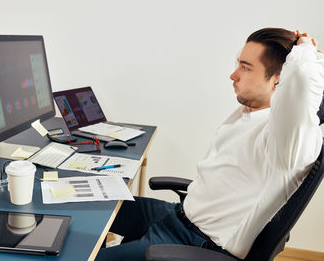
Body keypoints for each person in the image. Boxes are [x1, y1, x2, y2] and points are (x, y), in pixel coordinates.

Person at [95, 27, 324, 261]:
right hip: (177, 216)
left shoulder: (289, 139)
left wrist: (305, 51)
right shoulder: (251, 111)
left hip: (196, 243)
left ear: (279, 81)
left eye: (246, 67)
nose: (233, 74)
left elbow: (303, 81)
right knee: (93, 207)